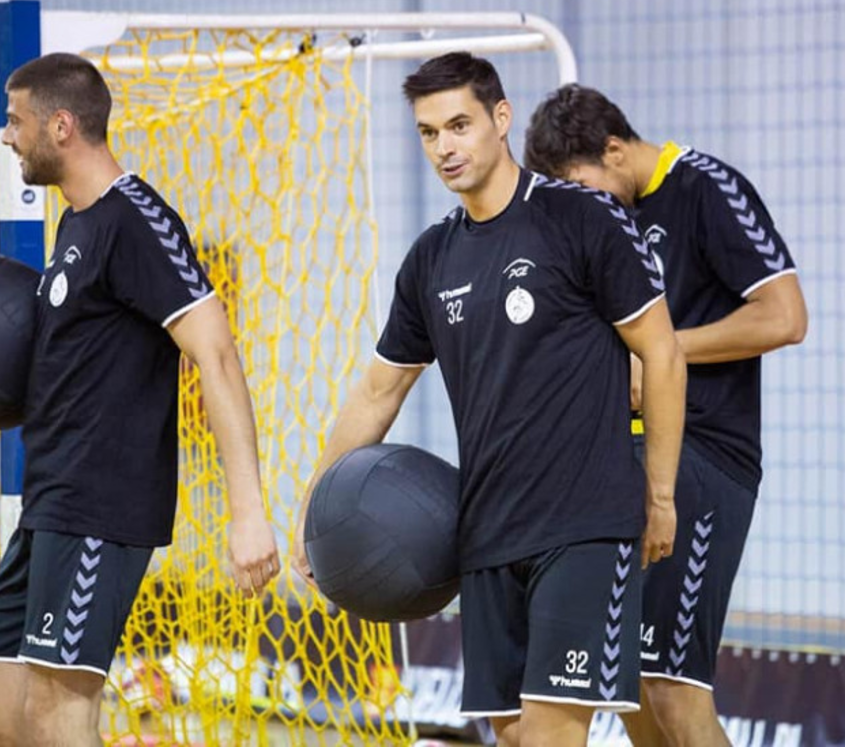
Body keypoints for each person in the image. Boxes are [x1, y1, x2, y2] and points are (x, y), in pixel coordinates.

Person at [293, 53, 687, 747]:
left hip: (584, 525)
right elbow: (379, 391)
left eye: (459, 125)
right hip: (483, 535)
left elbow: (662, 353)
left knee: (552, 733)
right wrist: (311, 508)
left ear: (500, 119)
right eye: (428, 132)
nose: (444, 147)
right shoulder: (431, 258)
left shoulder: (580, 217)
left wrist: (659, 495)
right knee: (511, 733)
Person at [0, 53, 280, 747]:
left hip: (99, 505)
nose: (7, 135)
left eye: (15, 121)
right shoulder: (75, 224)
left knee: (59, 710)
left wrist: (248, 513)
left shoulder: (135, 220)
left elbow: (218, 356)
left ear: (62, 126)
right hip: (50, 500)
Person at [524, 84, 808, 747]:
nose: (583, 204)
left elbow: (786, 317)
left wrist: (662, 353)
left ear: (615, 150)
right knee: (627, 682)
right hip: (622, 464)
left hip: (705, 459)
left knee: (675, 689)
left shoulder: (706, 188)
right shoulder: (602, 223)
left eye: (582, 185)